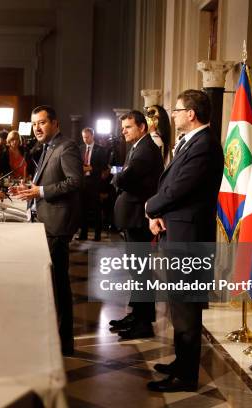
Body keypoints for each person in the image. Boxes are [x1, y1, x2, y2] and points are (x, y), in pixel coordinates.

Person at [145, 89, 223, 392]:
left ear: (191, 114)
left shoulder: (204, 145)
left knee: (187, 309)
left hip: (190, 239)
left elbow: (180, 188)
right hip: (179, 231)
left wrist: (152, 207)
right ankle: (181, 362)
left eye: (177, 110)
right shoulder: (191, 142)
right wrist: (159, 214)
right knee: (179, 306)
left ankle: (187, 375)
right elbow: (173, 185)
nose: (173, 115)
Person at [10, 105, 83, 355]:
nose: (37, 128)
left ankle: (63, 343)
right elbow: (45, 181)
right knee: (51, 282)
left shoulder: (66, 146)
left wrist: (40, 191)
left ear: (55, 123)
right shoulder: (47, 148)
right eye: (34, 124)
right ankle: (54, 337)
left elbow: (75, 181)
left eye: (42, 123)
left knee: (58, 284)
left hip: (57, 224)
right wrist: (29, 189)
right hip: (45, 220)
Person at [110, 110, 163, 339]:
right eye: (122, 128)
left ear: (142, 127)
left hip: (137, 216)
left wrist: (116, 177)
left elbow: (123, 178)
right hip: (132, 215)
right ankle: (137, 314)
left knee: (141, 271)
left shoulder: (145, 150)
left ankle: (143, 323)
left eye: (128, 127)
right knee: (137, 269)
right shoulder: (138, 146)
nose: (123, 131)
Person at [78, 127, 109, 241]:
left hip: (95, 183)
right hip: (83, 183)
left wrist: (91, 168)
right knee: (83, 210)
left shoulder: (101, 150)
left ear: (92, 136)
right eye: (83, 137)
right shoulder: (80, 148)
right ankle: (83, 234)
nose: (85, 139)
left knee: (96, 210)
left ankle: (97, 235)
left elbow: (104, 167)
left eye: (87, 137)